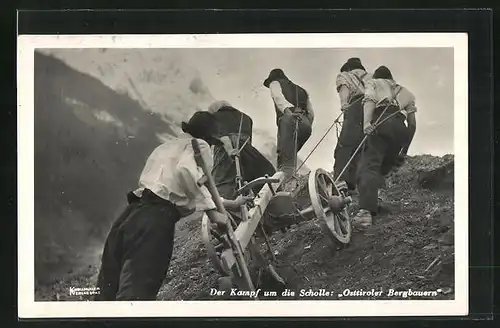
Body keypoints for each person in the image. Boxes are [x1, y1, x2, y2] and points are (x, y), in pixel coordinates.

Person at [94, 111, 252, 301]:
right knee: (137, 295)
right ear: (208, 137)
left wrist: (230, 204)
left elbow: (175, 187)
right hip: (155, 220)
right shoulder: (198, 145)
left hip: (132, 212)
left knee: (108, 289)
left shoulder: (165, 147)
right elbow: (186, 173)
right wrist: (212, 214)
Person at [353, 65, 417, 230]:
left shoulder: (373, 83)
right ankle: (375, 201)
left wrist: (367, 123)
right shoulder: (407, 93)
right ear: (391, 78)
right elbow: (412, 124)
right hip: (399, 127)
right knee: (382, 166)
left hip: (381, 123)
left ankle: (365, 213)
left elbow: (369, 101)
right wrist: (404, 149)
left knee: (369, 166)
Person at [208, 100, 276, 200]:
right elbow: (248, 141)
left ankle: (228, 209)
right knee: (250, 182)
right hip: (247, 150)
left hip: (227, 151)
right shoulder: (247, 118)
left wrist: (230, 150)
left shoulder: (214, 117)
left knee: (222, 186)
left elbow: (224, 138)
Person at [263, 68, 314, 191]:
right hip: (305, 123)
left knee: (285, 161)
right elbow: (311, 113)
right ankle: (292, 185)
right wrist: (306, 124)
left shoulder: (275, 83)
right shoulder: (302, 90)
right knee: (291, 155)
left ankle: (286, 191)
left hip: (289, 120)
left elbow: (278, 98)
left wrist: (288, 113)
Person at [333, 58, 373, 192]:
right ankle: (356, 183)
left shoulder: (345, 75)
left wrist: (344, 104)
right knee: (363, 147)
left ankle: (341, 181)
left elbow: (344, 88)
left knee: (345, 145)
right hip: (375, 111)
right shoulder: (372, 77)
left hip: (357, 107)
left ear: (348, 68)